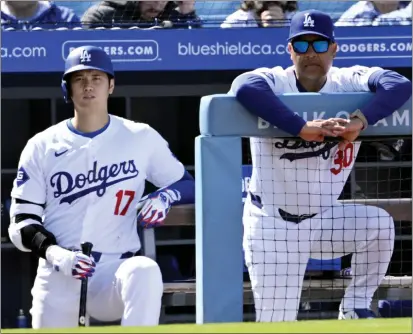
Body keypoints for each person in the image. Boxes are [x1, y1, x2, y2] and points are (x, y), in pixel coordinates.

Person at [228, 9, 411, 322]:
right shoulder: (276, 80)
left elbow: (399, 84)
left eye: (319, 44)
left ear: (334, 49)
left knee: (379, 224)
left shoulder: (347, 81)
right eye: (301, 45)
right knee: (277, 324)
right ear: (289, 50)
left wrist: (360, 120)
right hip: (273, 225)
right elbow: (244, 87)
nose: (310, 52)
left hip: (324, 220)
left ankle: (354, 306)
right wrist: (300, 127)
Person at [8, 45, 195, 329]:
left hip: (114, 270)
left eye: (96, 78)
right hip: (61, 269)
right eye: (79, 79)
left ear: (111, 85)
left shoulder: (139, 136)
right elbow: (21, 222)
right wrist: (56, 254)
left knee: (144, 270)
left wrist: (164, 197)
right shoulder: (42, 145)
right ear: (67, 88)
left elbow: (186, 183)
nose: (88, 86)